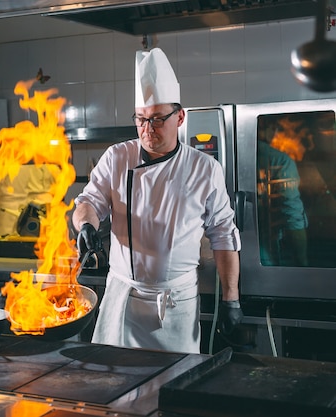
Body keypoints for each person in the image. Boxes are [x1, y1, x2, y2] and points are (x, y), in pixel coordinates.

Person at [71, 48, 243, 354]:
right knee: (112, 385)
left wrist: (231, 299)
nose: (148, 130)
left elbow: (224, 236)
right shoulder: (117, 157)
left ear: (180, 117)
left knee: (172, 386)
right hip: (122, 300)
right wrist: (85, 224)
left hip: (175, 303)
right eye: (141, 120)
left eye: (157, 120)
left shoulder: (204, 169)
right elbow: (89, 201)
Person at [257, 121, 308, 266]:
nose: (275, 133)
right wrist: (302, 263)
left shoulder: (235, 155)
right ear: (264, 128)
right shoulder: (280, 160)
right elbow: (292, 214)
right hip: (266, 255)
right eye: (274, 128)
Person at [0, 164, 54, 236]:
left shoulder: (3, 163)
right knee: (20, 237)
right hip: (23, 207)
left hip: (7, 208)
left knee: (4, 238)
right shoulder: (27, 165)